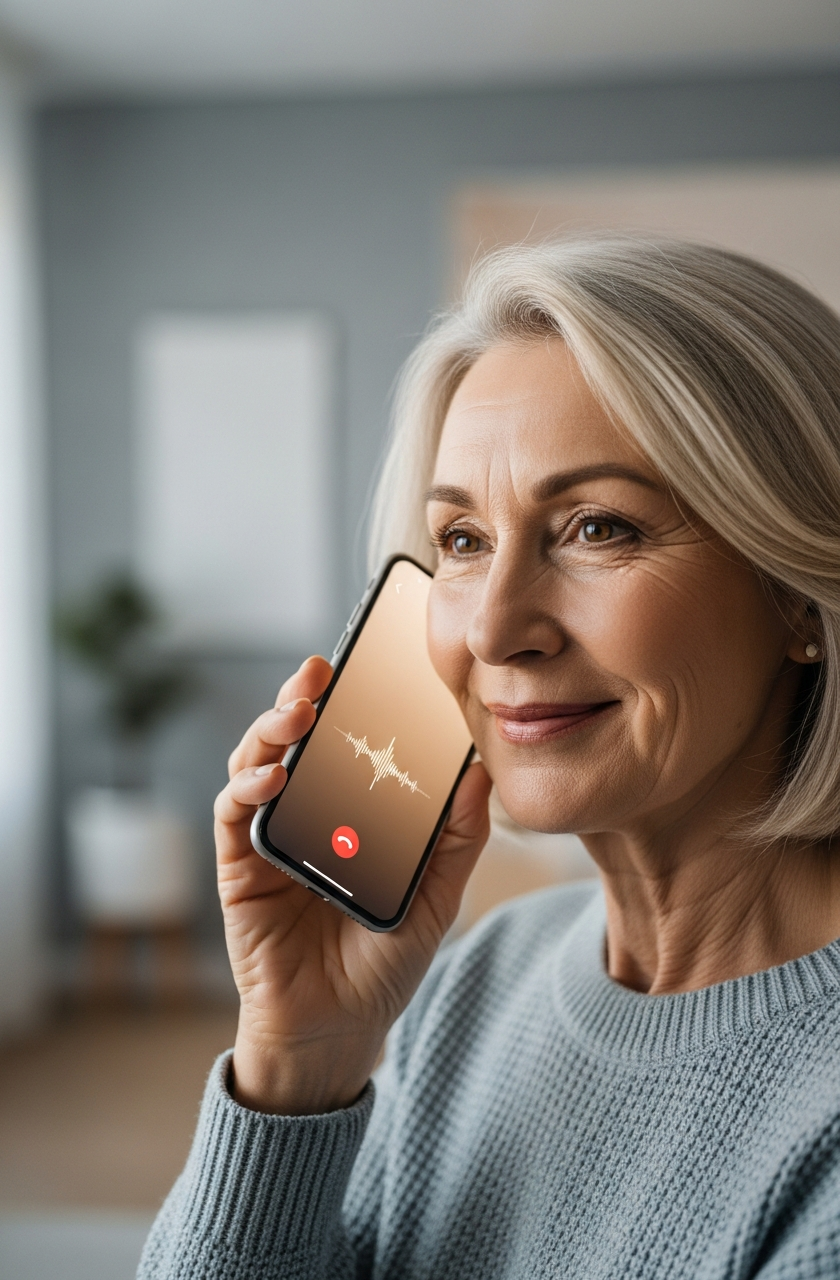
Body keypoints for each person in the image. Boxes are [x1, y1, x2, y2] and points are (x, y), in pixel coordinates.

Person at [139, 237, 840, 1280]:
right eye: (461, 540)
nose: (494, 628)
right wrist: (296, 1064)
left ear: (795, 591)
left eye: (596, 526)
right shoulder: (484, 976)